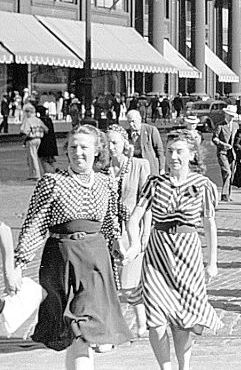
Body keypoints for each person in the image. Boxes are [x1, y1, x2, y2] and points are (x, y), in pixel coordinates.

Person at [13, 124, 131, 368]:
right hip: (62, 262)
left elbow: (110, 221)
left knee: (83, 329)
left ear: (97, 151)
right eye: (73, 147)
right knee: (73, 332)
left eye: (84, 147)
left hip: (96, 263)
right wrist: (20, 262)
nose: (78, 152)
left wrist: (119, 244)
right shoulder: (52, 182)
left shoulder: (106, 183)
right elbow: (35, 224)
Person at [124, 130, 221, 369]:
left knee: (183, 320)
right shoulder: (155, 183)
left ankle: (183, 367)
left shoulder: (202, 185)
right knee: (155, 319)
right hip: (157, 257)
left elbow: (209, 224)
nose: (173, 156)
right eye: (169, 152)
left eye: (179, 151)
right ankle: (165, 367)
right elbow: (134, 217)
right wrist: (136, 243)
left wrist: (212, 262)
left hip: (188, 256)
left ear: (191, 155)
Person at [105, 124, 151, 338]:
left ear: (125, 143)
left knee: (129, 283)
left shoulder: (140, 165)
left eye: (115, 142)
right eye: (107, 143)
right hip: (108, 232)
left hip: (131, 231)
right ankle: (113, 328)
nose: (111, 147)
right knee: (109, 283)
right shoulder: (101, 169)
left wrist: (144, 235)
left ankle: (142, 321)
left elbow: (147, 202)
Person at [213, 105, 240, 202]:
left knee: (230, 174)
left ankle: (227, 195)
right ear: (226, 114)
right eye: (229, 115)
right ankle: (224, 194)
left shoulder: (236, 125)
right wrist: (223, 144)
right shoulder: (220, 125)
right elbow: (214, 138)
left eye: (232, 116)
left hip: (232, 154)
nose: (231, 118)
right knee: (227, 172)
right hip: (222, 153)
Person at [127, 109, 164, 177]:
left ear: (139, 119)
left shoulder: (151, 130)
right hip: (135, 169)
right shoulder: (127, 134)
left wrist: (162, 168)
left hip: (150, 167)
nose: (131, 124)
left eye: (133, 121)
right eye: (129, 122)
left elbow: (160, 150)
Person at [20, 103, 47, 181]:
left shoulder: (28, 120)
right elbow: (46, 129)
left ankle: (36, 175)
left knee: (32, 157)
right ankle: (32, 174)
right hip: (39, 139)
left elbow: (25, 131)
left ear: (28, 112)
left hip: (31, 139)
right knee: (33, 156)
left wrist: (24, 138)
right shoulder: (38, 120)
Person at [36, 105, 59, 174]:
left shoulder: (39, 120)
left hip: (43, 141)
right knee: (51, 157)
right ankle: (55, 168)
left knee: (43, 158)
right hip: (51, 141)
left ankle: (47, 172)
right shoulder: (48, 119)